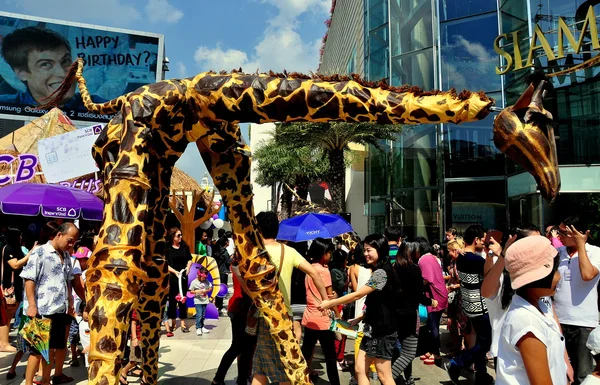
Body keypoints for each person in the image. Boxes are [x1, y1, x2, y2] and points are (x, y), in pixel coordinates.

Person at [251, 211, 328, 385]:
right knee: (261, 366)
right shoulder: (289, 251)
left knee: (280, 367)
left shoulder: (254, 253)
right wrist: (325, 300)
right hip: (284, 313)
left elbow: (243, 279)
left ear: (258, 229)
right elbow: (314, 273)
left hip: (265, 315)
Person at [319, 234, 399, 385]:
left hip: (382, 331)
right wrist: (360, 318)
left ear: (380, 250)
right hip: (372, 328)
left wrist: (329, 303)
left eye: (369, 250)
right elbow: (379, 302)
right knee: (360, 368)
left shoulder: (382, 272)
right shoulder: (379, 270)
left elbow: (358, 295)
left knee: (384, 375)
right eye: (365, 250)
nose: (365, 253)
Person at [496, 235, 565, 385]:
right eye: (555, 271)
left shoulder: (539, 306)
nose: (559, 277)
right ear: (539, 277)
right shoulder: (527, 322)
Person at [21, 222, 79, 385]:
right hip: (42, 311)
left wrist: (70, 303)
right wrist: (32, 305)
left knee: (51, 351)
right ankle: (28, 383)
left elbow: (68, 281)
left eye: (74, 241)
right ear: (59, 235)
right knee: (38, 351)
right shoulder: (39, 252)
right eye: (70, 240)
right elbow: (29, 279)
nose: (71, 244)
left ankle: (46, 381)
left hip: (60, 311)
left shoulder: (67, 256)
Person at [0, 26, 105, 107]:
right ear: (22, 73)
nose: (63, 73)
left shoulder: (105, 109)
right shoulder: (4, 106)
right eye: (46, 64)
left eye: (65, 61)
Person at [445, 224, 493, 385]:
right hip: (480, 305)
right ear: (476, 239)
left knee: (480, 340)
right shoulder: (476, 259)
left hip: (468, 303)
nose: (485, 242)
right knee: (486, 342)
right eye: (483, 239)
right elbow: (491, 274)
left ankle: (482, 374)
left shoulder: (462, 257)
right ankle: (458, 362)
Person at [555, 216, 600, 385]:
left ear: (578, 233)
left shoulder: (595, 252)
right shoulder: (557, 254)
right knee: (560, 372)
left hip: (584, 323)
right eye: (558, 231)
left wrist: (581, 245)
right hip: (558, 320)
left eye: (563, 232)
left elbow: (587, 275)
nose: (559, 236)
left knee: (583, 374)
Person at [391, 241, 433, 385]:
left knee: (401, 350)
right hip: (409, 315)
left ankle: (408, 379)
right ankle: (387, 378)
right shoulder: (414, 269)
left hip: (395, 314)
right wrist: (430, 302)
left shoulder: (394, 267)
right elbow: (418, 295)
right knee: (409, 353)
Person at [212, 254, 257, 385]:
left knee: (246, 348)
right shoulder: (242, 265)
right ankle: (219, 378)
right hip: (241, 309)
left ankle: (241, 379)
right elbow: (247, 287)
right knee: (239, 346)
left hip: (242, 308)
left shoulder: (241, 264)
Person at [300, 238, 340, 385]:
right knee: (330, 356)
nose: (331, 255)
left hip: (310, 317)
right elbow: (329, 298)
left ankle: (299, 380)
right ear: (324, 253)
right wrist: (338, 313)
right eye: (329, 252)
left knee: (306, 352)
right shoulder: (324, 271)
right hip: (323, 319)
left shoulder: (309, 268)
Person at [415, 236, 448, 365]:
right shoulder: (431, 257)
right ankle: (431, 350)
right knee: (432, 325)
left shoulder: (424, 259)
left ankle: (436, 354)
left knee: (433, 326)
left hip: (435, 297)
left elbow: (426, 279)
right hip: (438, 295)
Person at [1, 227, 32, 352]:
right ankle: (3, 343)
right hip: (9, 287)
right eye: (19, 236)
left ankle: (4, 341)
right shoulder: (8, 248)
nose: (21, 238)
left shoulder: (17, 249)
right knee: (7, 316)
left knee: (9, 315)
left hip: (17, 286)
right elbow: (15, 264)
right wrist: (29, 254)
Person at [164, 227, 193, 336]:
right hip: (172, 277)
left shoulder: (184, 247)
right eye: (178, 235)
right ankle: (173, 322)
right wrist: (175, 272)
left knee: (183, 299)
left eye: (181, 235)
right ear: (172, 237)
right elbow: (165, 264)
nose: (180, 237)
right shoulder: (167, 249)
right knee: (172, 300)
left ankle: (183, 323)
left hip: (183, 276)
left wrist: (188, 268)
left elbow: (189, 259)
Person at [189, 266, 213, 335]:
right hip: (198, 301)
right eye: (203, 277)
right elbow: (191, 291)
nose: (204, 279)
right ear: (199, 275)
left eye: (205, 278)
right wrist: (197, 291)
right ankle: (198, 327)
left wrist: (206, 290)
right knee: (199, 315)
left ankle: (202, 326)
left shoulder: (206, 281)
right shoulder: (194, 282)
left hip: (205, 300)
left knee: (203, 315)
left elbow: (210, 288)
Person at [213, 234, 231, 316]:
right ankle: (219, 306)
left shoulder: (218, 250)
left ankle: (218, 305)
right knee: (222, 288)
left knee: (219, 288)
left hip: (219, 271)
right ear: (226, 242)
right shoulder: (224, 251)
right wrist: (233, 258)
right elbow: (228, 261)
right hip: (223, 272)